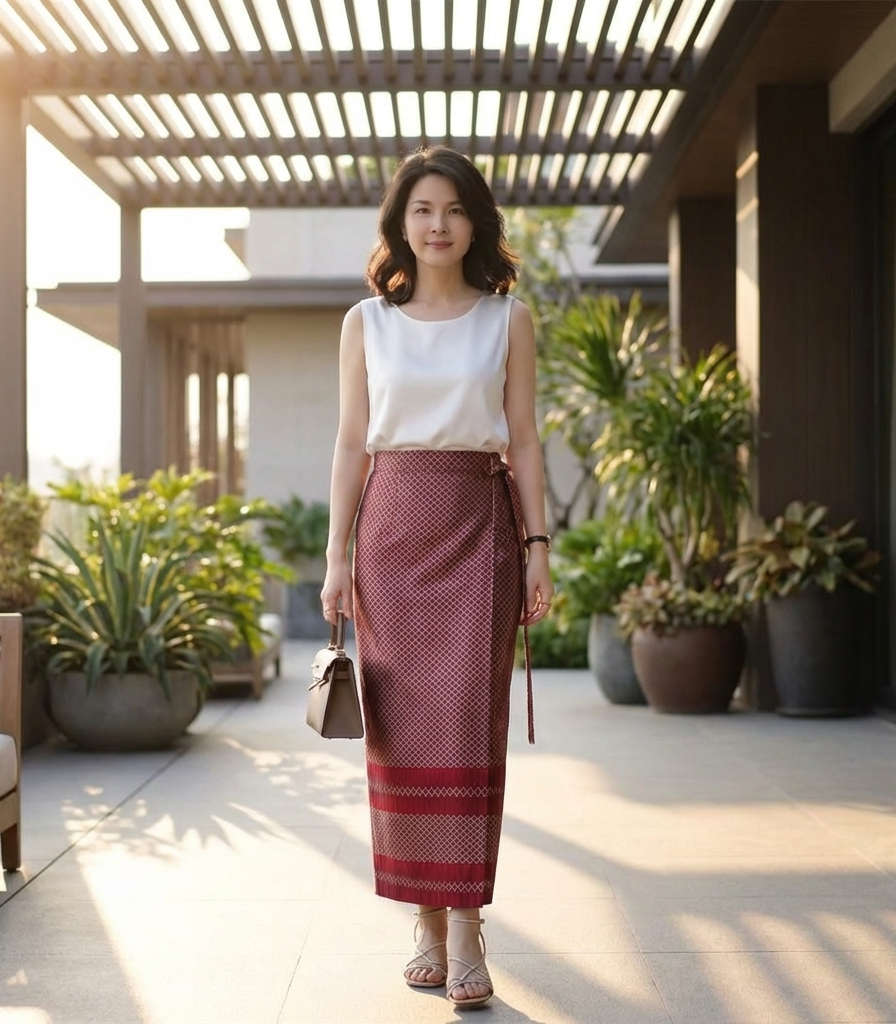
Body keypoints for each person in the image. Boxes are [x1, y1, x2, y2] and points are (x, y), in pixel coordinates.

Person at [320, 145, 553, 1010]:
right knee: (403, 732)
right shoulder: (365, 323)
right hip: (391, 528)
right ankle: (422, 917)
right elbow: (351, 443)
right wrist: (337, 556)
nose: (439, 224)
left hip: (477, 525)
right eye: (422, 209)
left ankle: (465, 926)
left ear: (475, 221)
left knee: (465, 723)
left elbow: (524, 438)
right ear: (400, 223)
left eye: (454, 209)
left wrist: (539, 545)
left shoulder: (508, 319)